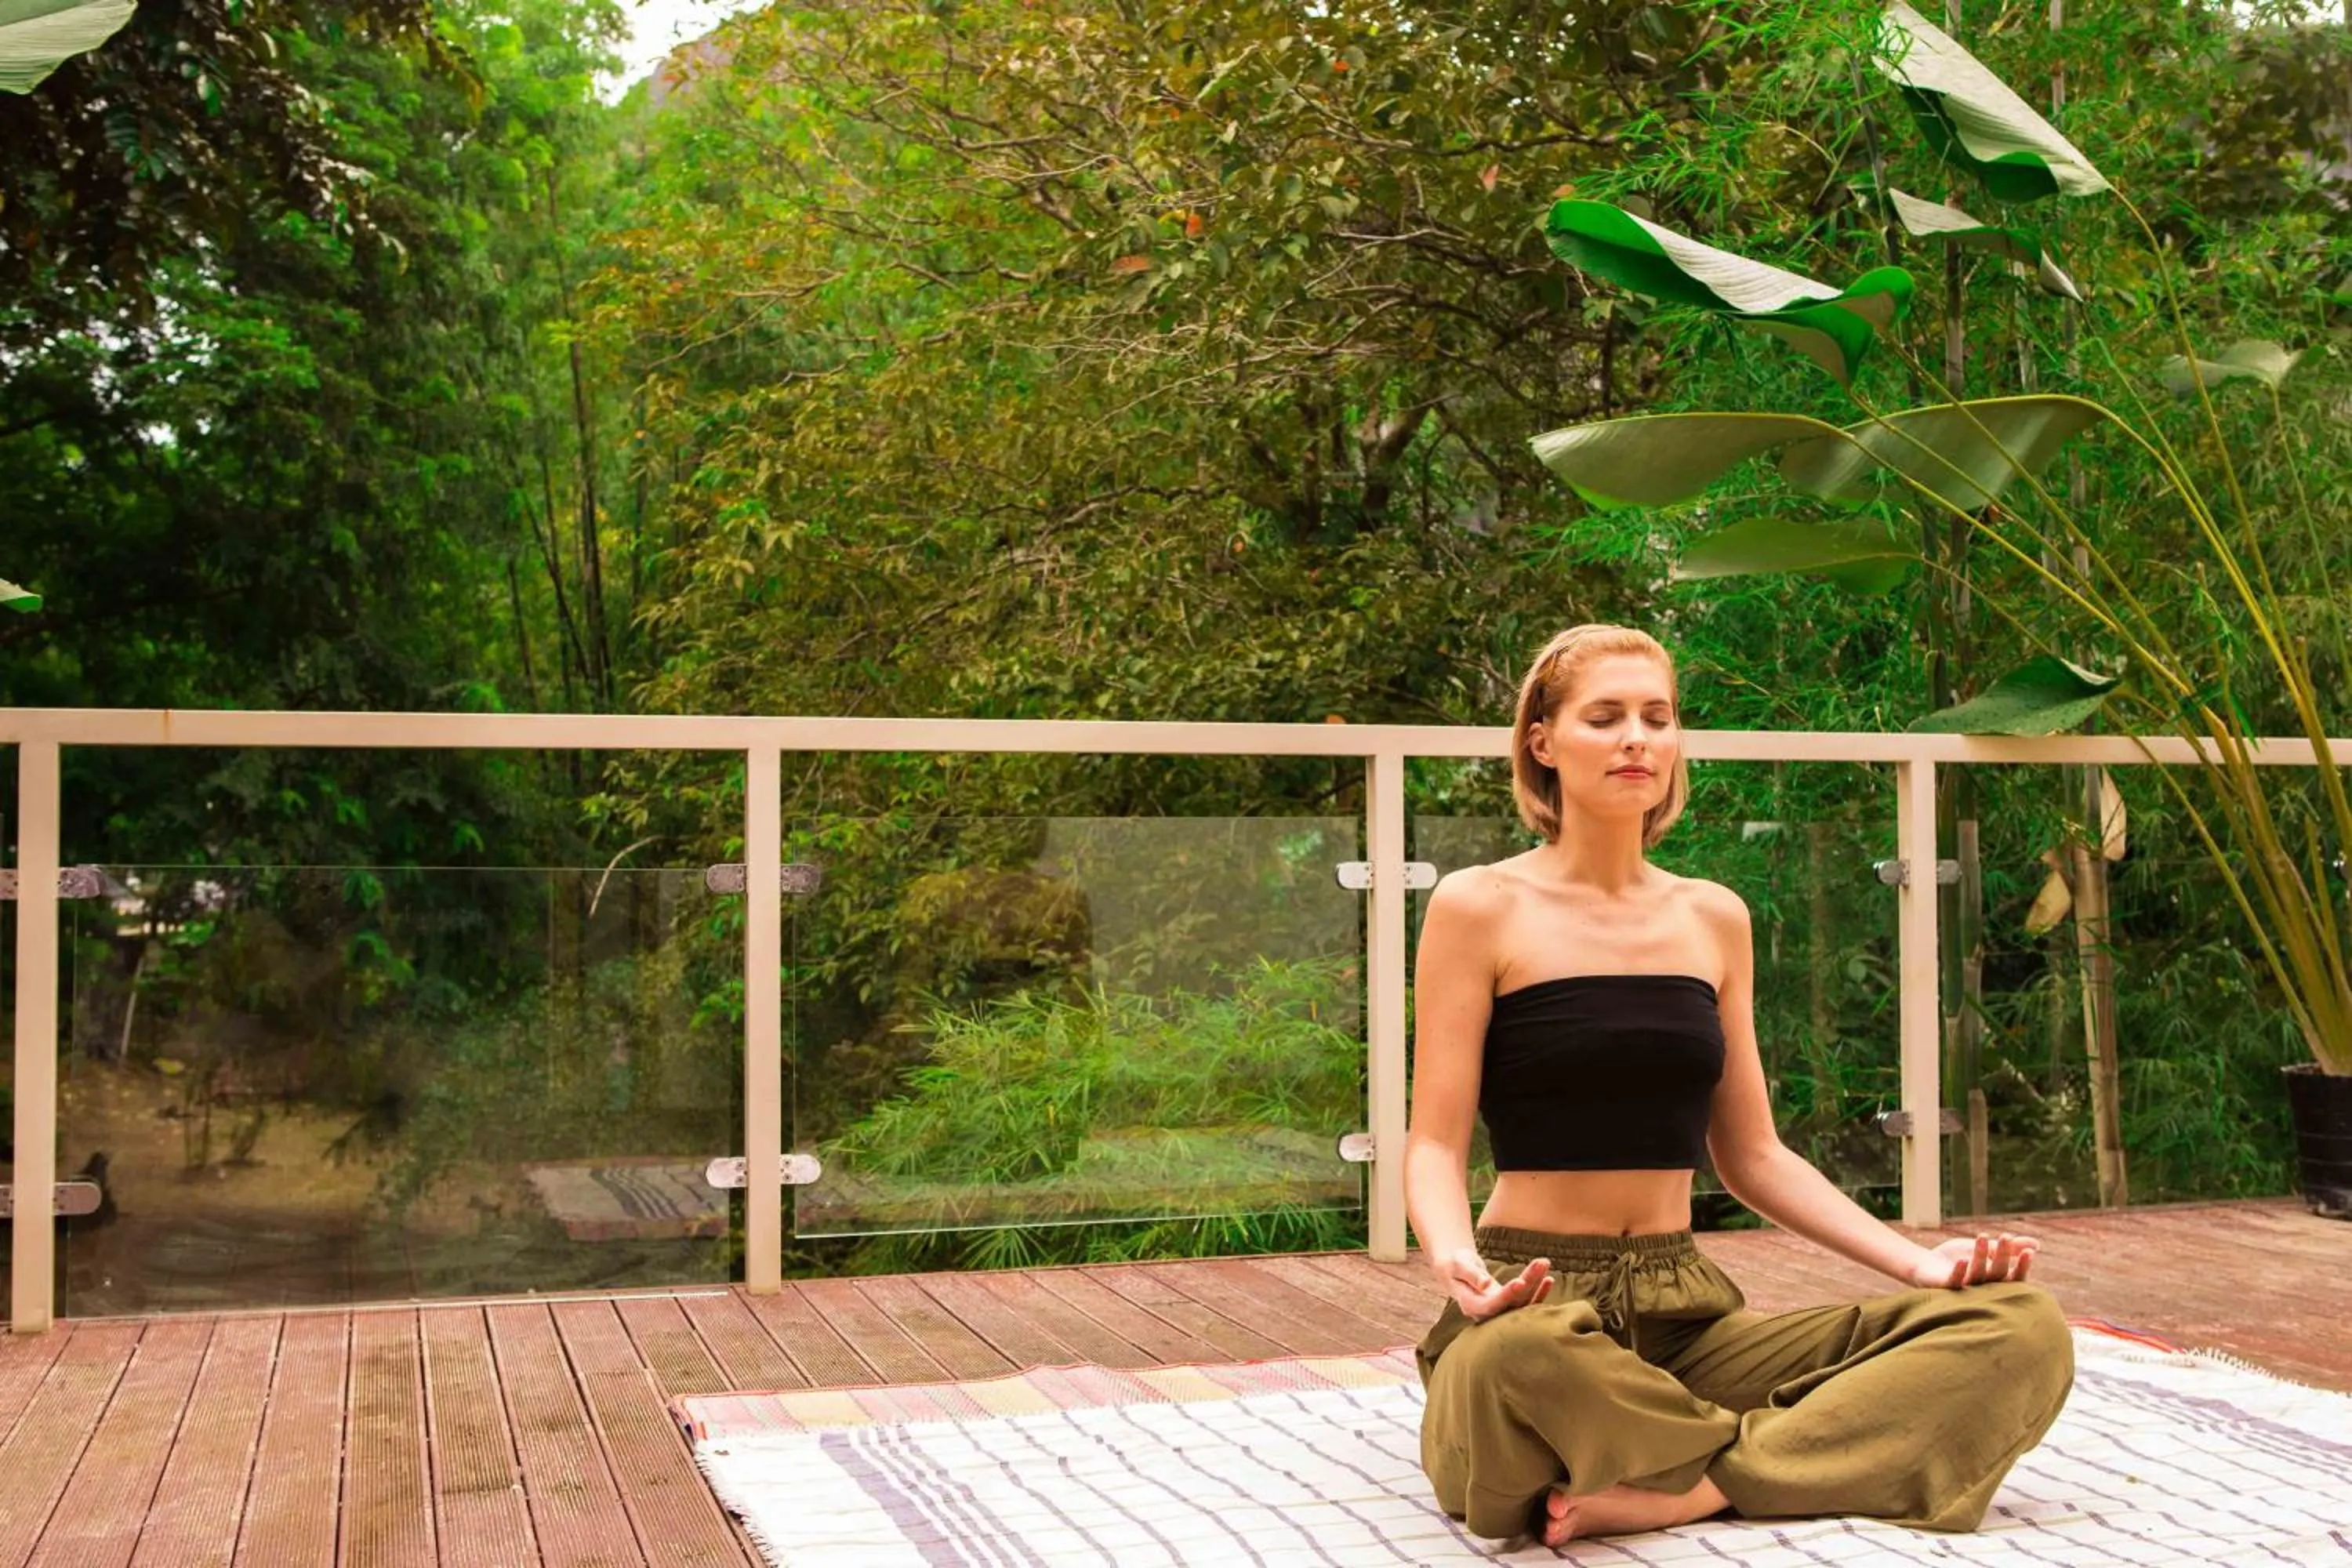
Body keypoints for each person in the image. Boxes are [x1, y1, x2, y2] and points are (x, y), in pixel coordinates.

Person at [1406, 623, 2073, 1549]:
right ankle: (1786, 1453)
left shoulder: (1712, 916)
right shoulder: (1480, 906)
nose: (1637, 737)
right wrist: (1458, 1264)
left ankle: (1694, 1482)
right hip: (1534, 1302)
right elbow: (1432, 1143)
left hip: (1687, 1321)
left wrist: (1919, 1265)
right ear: (1543, 741)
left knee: (2018, 1322)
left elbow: (1753, 1154)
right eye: (1605, 717)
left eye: (1658, 716)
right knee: (1516, 1358)